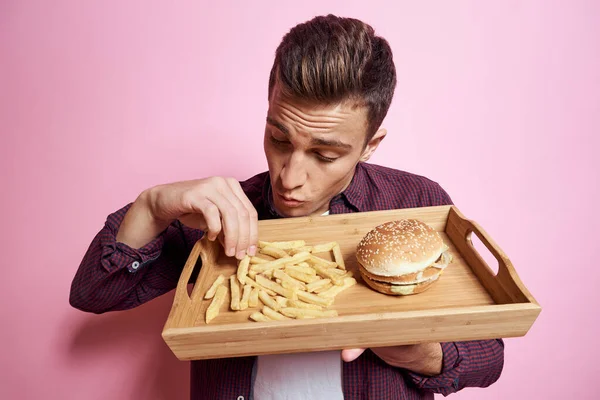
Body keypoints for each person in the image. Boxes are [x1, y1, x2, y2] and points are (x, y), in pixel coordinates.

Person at [70, 14, 504, 400]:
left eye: (325, 155)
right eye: (279, 140)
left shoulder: (417, 204)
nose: (290, 177)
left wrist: (420, 352)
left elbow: (490, 356)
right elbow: (92, 294)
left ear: (370, 145)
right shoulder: (220, 213)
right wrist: (151, 206)